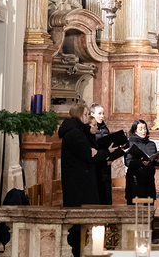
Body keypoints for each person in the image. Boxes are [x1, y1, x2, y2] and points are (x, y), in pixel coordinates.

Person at [59, 104, 99, 257]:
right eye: (87, 113)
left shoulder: (77, 131)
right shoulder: (74, 133)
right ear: (80, 115)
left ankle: (82, 251)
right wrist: (93, 152)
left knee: (82, 223)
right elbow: (86, 155)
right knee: (77, 223)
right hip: (77, 185)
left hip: (80, 183)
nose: (88, 116)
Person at [89, 104, 125, 205]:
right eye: (99, 113)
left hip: (107, 162)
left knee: (106, 191)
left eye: (103, 114)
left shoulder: (105, 128)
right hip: (97, 163)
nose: (102, 116)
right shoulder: (90, 130)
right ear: (92, 114)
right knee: (98, 191)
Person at [124, 118, 159, 204]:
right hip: (135, 180)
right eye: (140, 129)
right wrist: (140, 163)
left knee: (149, 207)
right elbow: (128, 162)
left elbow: (154, 160)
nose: (143, 131)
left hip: (149, 180)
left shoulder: (151, 144)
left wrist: (158, 161)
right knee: (132, 208)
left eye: (145, 128)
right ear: (135, 131)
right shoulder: (130, 143)